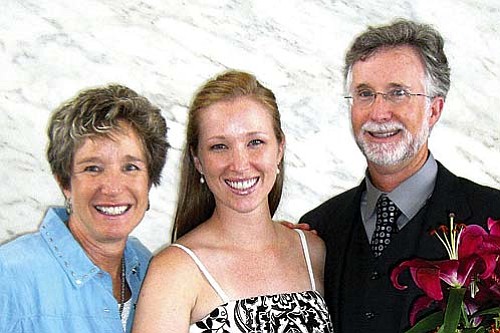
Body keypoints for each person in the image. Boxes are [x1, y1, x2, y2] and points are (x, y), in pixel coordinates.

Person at [299, 18, 500, 333]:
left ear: (434, 110)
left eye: (398, 93)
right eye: (365, 94)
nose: (378, 113)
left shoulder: (493, 217)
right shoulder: (318, 230)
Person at [132, 70, 334, 333]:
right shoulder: (174, 272)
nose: (239, 164)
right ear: (197, 161)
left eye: (255, 142)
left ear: (280, 149)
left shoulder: (314, 252)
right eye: (219, 146)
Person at [0, 84, 170, 333]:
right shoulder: (10, 275)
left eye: (130, 167)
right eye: (92, 168)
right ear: (64, 182)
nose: (112, 188)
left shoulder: (148, 268)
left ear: (149, 179)